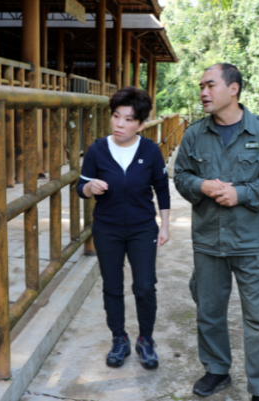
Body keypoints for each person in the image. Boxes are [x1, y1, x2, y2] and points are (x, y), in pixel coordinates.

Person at [174, 63, 259, 401]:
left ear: (233, 89)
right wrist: (201, 184)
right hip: (209, 241)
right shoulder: (194, 134)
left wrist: (242, 193)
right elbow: (180, 176)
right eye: (201, 87)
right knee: (209, 312)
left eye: (210, 85)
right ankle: (216, 370)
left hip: (252, 244)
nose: (203, 93)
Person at [77, 86, 170, 370]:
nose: (120, 124)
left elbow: (162, 189)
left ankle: (146, 340)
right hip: (107, 228)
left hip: (143, 228)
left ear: (141, 124)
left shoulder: (151, 151)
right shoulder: (97, 150)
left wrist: (164, 225)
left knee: (144, 286)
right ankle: (119, 339)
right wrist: (90, 188)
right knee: (112, 286)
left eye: (129, 119)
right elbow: (81, 187)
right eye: (116, 116)